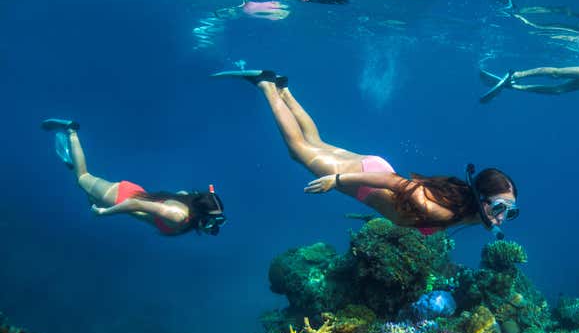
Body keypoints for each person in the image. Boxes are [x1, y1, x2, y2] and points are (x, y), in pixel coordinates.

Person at [212, 70, 518, 238]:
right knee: (299, 151)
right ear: (483, 198)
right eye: (502, 207)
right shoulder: (447, 212)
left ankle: (284, 89)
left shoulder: (462, 209)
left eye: (510, 212)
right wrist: (337, 179)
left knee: (316, 142)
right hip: (367, 180)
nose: (503, 217)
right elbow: (399, 185)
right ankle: (266, 85)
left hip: (373, 172)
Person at [41, 119, 227, 236]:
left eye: (216, 224)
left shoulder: (189, 202)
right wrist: (105, 214)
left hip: (133, 194)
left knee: (89, 197)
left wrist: (207, 200)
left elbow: (182, 194)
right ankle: (71, 130)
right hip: (123, 197)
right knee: (82, 178)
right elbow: (136, 205)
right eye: (212, 223)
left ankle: (71, 162)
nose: (213, 229)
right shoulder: (178, 216)